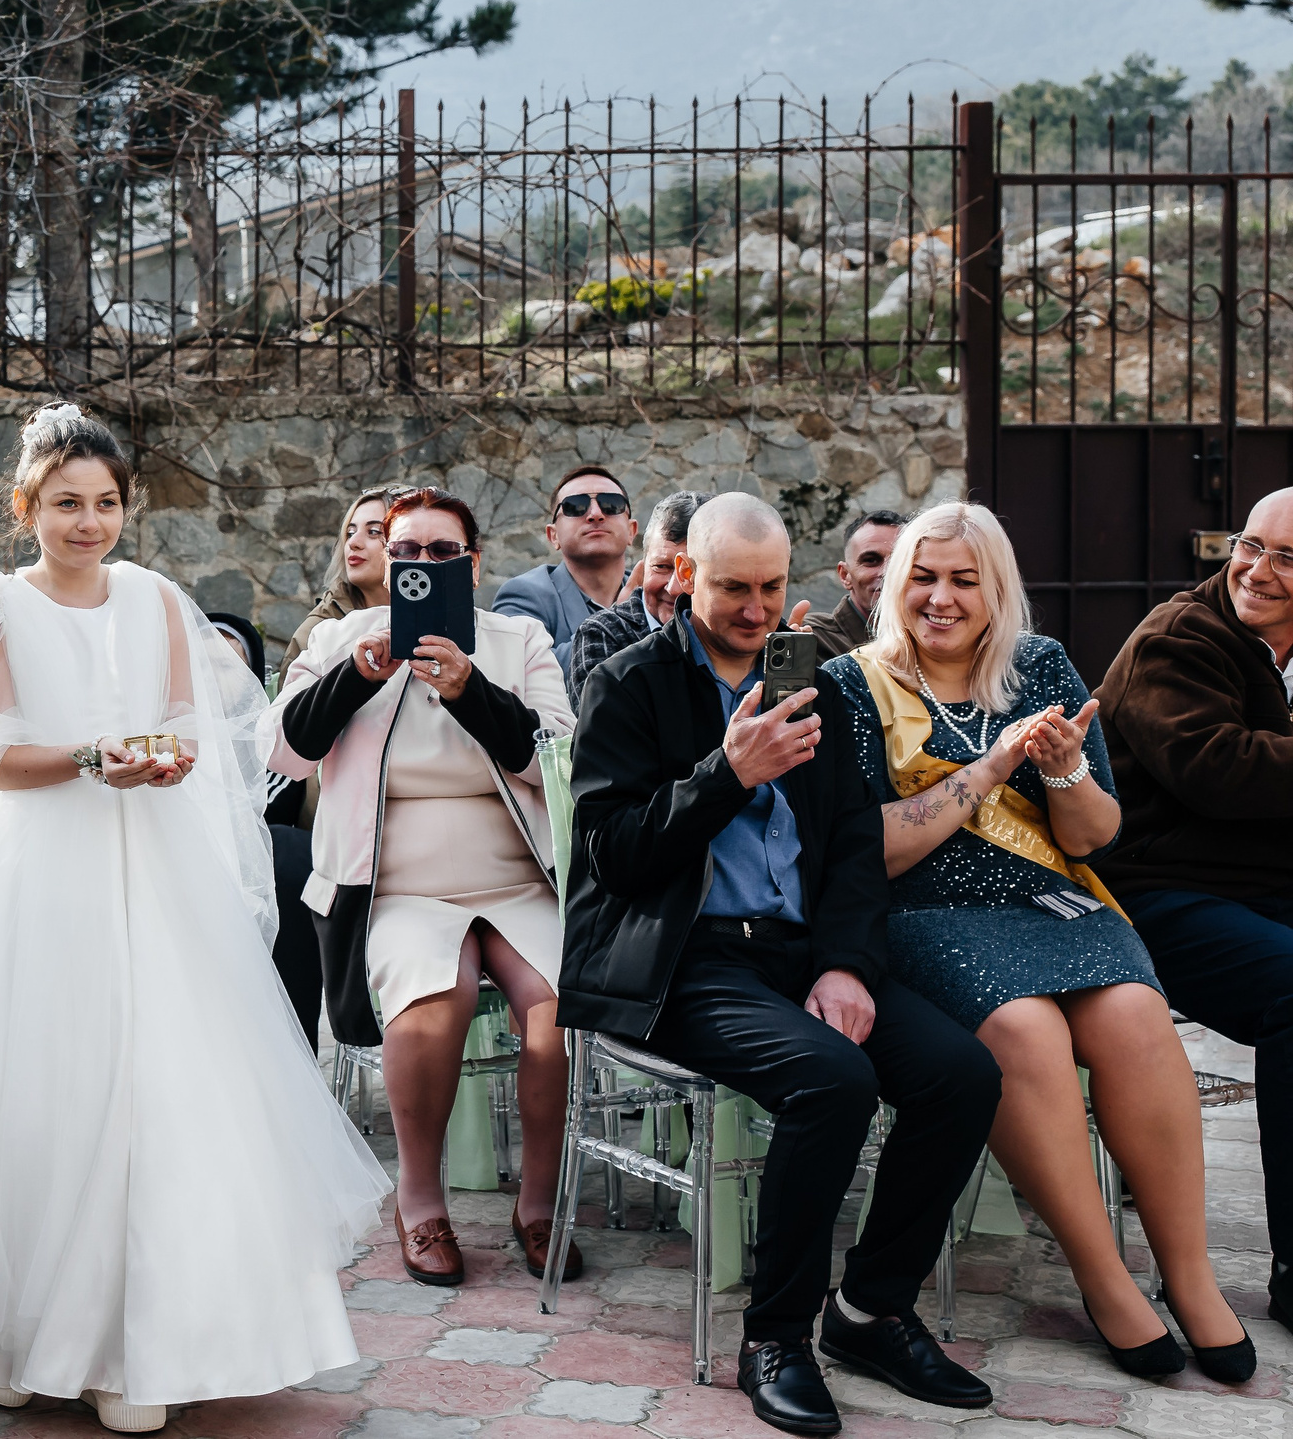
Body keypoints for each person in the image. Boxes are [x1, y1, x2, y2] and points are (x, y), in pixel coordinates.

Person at [0, 404, 388, 1435]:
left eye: (105, 504)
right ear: (25, 509)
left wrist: (167, 758)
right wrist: (95, 758)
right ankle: (6, 1331)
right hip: (37, 875)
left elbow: (193, 727)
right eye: (66, 504)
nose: (88, 522)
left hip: (149, 872)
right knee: (35, 1095)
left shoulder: (154, 598)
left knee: (155, 1092)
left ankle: (131, 1346)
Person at [562, 494, 1000, 1435]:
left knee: (962, 1074)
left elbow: (850, 844)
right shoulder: (631, 684)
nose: (756, 611)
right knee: (831, 1079)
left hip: (802, 953)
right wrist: (729, 773)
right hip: (685, 962)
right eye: (732, 588)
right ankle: (777, 1336)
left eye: (770, 588)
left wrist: (845, 965)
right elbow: (616, 858)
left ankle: (869, 1310)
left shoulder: (821, 684)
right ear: (685, 577)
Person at [814, 500, 1249, 1384]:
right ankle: (1104, 1277)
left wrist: (1061, 769)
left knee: (1136, 1013)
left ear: (996, 588)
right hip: (925, 913)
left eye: (964, 580)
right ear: (896, 584)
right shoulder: (854, 683)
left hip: (1055, 904)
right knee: (1024, 1029)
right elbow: (871, 850)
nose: (941, 597)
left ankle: (1191, 1274)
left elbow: (1092, 836)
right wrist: (991, 767)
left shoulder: (1040, 664)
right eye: (924, 578)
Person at [271, 487, 577, 1285]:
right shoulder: (343, 638)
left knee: (557, 1011)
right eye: (406, 551)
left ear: (472, 566)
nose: (422, 565)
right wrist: (354, 677)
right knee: (434, 1001)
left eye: (442, 553)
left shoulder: (519, 639)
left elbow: (556, 753)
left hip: (516, 882)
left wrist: (471, 687)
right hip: (399, 887)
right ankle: (420, 1198)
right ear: (385, 562)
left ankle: (540, 1204)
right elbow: (283, 751)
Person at [1093, 495, 1293, 1329]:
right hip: (1152, 890)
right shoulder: (1180, 636)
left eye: (1288, 558)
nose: (1257, 569)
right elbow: (1219, 768)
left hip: (1255, 883)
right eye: (1251, 544)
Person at [209, 608, 319, 1046]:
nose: (213, 676)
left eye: (226, 664)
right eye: (201, 663)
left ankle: (294, 1049)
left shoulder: (273, 740)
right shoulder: (160, 741)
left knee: (287, 848)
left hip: (273, 885)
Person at [493, 466, 639, 675]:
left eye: (611, 504)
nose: (595, 514)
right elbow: (521, 675)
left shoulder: (652, 595)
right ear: (553, 536)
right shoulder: (523, 595)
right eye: (575, 506)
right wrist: (618, 618)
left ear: (632, 531)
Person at [568, 491, 703, 700]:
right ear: (642, 568)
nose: (675, 588)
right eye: (661, 567)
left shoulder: (746, 628)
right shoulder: (602, 633)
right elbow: (604, 729)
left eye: (690, 572)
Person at [285, 486, 413, 669]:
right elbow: (296, 698)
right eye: (350, 533)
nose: (353, 543)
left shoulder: (447, 619)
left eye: (374, 531)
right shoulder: (318, 630)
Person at [814, 511, 905, 659]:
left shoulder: (932, 638)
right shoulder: (817, 640)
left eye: (900, 560)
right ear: (845, 575)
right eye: (871, 560)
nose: (887, 572)